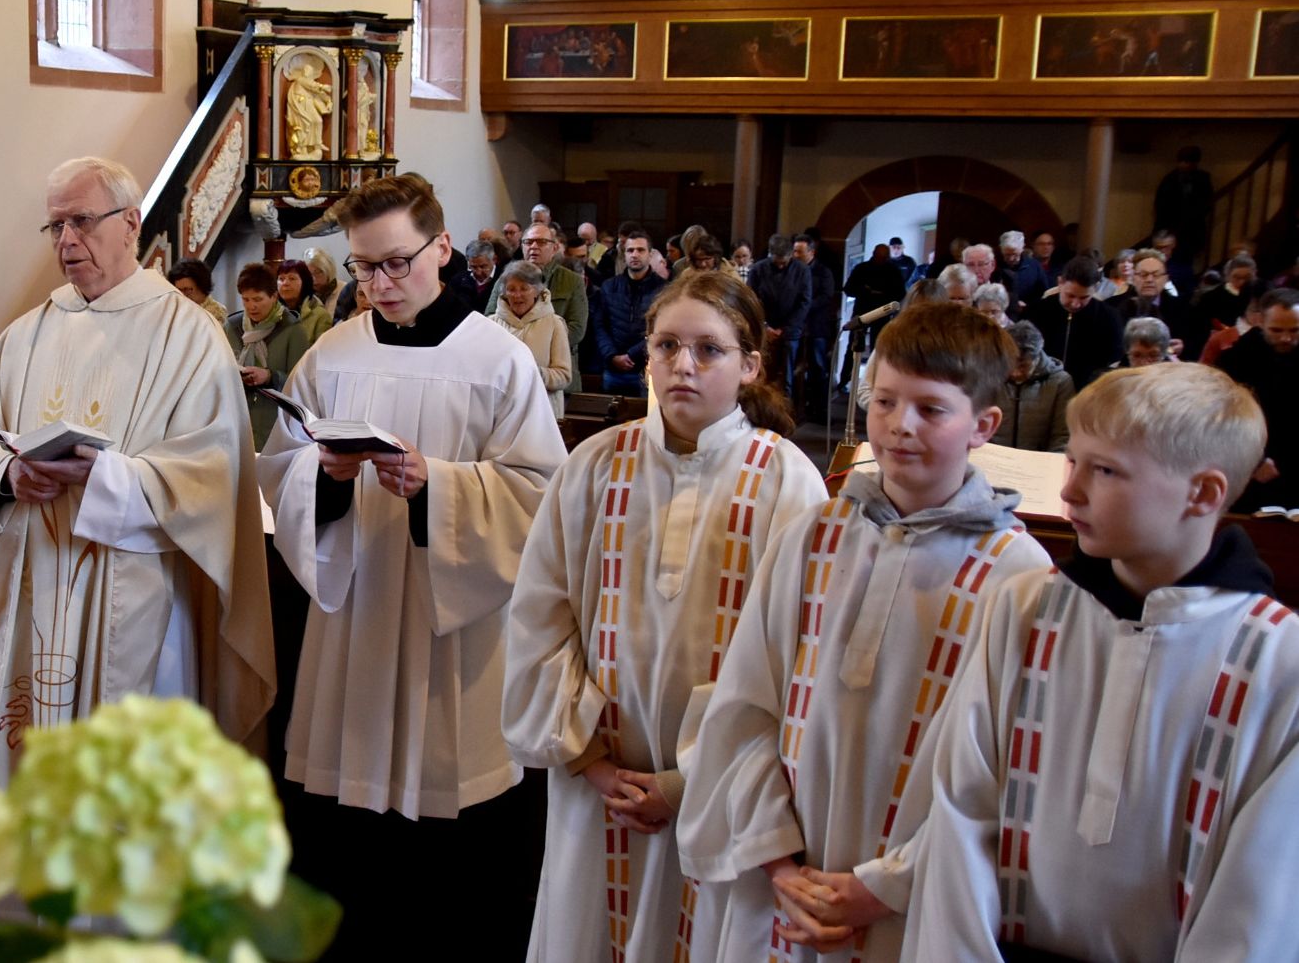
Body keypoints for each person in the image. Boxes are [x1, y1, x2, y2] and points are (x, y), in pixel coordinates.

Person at [679, 301, 1049, 962]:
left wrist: (884, 887)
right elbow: (745, 709)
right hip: (783, 891)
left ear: (983, 424)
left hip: (916, 904)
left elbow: (1012, 775)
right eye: (884, 401)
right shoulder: (813, 535)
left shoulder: (1020, 576)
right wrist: (780, 862)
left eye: (931, 409)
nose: (900, 426)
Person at [258, 173, 567, 959]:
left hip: (450, 628)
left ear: (442, 249)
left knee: (447, 866)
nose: (379, 284)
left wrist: (444, 488)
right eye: (363, 267)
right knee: (344, 837)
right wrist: (320, 484)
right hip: (355, 615)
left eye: (396, 263)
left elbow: (541, 494)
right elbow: (278, 467)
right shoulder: (333, 351)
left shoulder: (497, 359)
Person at [904, 364, 1299, 961]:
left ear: (1204, 493)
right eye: (1074, 461)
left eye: (1106, 470)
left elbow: (1262, 893)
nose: (1070, 492)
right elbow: (963, 805)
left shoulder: (1278, 658)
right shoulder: (1026, 607)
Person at [504, 270, 827, 963]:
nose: (684, 365)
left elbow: (799, 656)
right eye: (666, 345)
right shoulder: (592, 465)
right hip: (600, 787)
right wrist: (589, 758)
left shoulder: (786, 478)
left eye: (709, 350)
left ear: (749, 365)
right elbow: (539, 617)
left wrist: (686, 784)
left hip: (724, 799)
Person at [0, 158, 275, 780]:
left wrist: (108, 478)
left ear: (131, 224)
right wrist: (7, 475)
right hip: (34, 582)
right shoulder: (27, 332)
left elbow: (214, 473)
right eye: (55, 227)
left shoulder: (189, 335)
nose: (66, 241)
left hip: (136, 591)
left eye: (81, 221)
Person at [1217, 288, 1299, 511]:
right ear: (1260, 321)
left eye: (1294, 330)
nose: (1286, 338)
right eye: (1276, 330)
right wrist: (1256, 460)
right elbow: (1222, 415)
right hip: (1251, 466)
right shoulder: (1237, 358)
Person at [486, 221, 589, 381]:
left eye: (541, 242)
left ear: (554, 248)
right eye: (528, 242)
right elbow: (491, 316)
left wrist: (540, 341)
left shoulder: (572, 281)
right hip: (508, 373)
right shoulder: (506, 278)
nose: (534, 246)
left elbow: (577, 328)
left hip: (554, 370)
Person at [224, 262, 308, 450]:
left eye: (258, 299)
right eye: (245, 300)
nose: (251, 306)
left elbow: (302, 384)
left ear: (274, 296)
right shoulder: (233, 327)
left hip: (275, 420)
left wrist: (270, 376)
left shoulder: (293, 330)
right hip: (238, 417)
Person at [1023, 254, 1124, 389]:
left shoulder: (1109, 317)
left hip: (1088, 390)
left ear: (1096, 287)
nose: (1075, 304)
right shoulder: (1036, 311)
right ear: (1060, 282)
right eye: (1070, 295)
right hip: (1041, 388)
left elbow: (1112, 359)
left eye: (1084, 297)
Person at [492, 260, 574, 418]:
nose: (517, 295)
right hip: (502, 412)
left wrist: (535, 373)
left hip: (542, 412)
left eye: (524, 289)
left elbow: (564, 376)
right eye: (511, 289)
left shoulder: (554, 324)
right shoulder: (491, 323)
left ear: (537, 291)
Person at [593, 226, 667, 396]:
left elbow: (661, 330)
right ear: (624, 255)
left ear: (650, 254)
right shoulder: (609, 286)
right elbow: (600, 326)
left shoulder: (663, 290)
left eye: (640, 250)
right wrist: (612, 356)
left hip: (646, 367)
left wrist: (633, 355)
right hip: (613, 367)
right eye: (630, 250)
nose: (634, 254)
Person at [994, 321, 1073, 452]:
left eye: (1023, 366)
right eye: (1010, 364)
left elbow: (1063, 434)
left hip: (1039, 461)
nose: (1015, 372)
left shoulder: (1060, 382)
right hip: (995, 459)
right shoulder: (989, 376)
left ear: (1036, 359)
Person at [749, 233, 812, 391]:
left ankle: (785, 412)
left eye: (784, 262)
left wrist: (784, 329)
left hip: (790, 332)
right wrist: (765, 326)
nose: (781, 266)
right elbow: (751, 300)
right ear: (770, 255)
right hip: (764, 329)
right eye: (777, 262)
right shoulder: (758, 269)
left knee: (786, 379)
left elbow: (804, 302)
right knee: (762, 376)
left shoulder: (802, 270)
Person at [793, 233, 839, 417]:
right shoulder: (793, 270)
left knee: (818, 369)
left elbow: (826, 296)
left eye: (799, 252)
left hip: (816, 326)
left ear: (811, 252)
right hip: (796, 325)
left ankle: (820, 409)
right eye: (794, 251)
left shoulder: (823, 272)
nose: (795, 255)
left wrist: (804, 307)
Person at [1153, 148, 1214, 267]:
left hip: (1192, 229)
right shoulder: (1169, 179)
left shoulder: (1203, 178)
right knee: (1166, 260)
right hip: (1170, 226)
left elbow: (1206, 202)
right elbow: (1160, 204)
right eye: (1182, 161)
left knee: (1186, 262)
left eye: (1188, 162)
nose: (1185, 165)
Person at [276, 259, 333, 345]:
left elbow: (322, 352)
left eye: (292, 278)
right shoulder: (270, 311)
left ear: (305, 283)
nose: (285, 283)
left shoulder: (320, 316)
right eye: (281, 279)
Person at [166, 258, 226, 324]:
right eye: (178, 290)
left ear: (202, 287)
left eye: (187, 290)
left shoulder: (216, 313)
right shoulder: (178, 309)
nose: (182, 295)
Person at [304, 247, 343, 317]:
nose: (313, 278)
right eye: (308, 273)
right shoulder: (303, 293)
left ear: (328, 271)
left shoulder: (344, 290)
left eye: (318, 272)